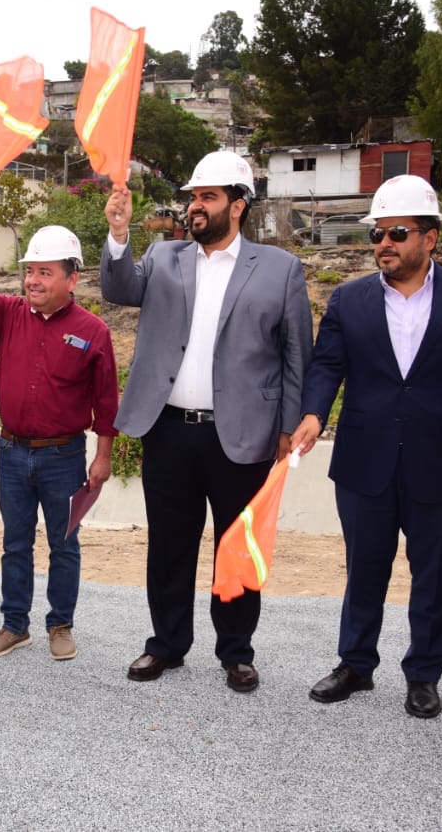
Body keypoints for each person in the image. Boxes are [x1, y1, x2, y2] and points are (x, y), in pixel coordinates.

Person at [292, 174, 442, 718]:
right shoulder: (350, 299)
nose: (383, 244)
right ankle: (356, 665)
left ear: (429, 238)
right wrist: (314, 413)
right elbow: (327, 365)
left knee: (434, 575)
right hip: (365, 460)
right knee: (365, 567)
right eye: (376, 235)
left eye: (396, 232)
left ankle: (423, 675)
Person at [101, 151, 312, 690]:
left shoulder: (280, 269)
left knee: (237, 546)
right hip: (168, 429)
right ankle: (166, 645)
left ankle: (236, 651)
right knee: (169, 544)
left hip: (244, 435)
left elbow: (296, 356)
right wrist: (119, 232)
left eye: (208, 198)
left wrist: (290, 427)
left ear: (237, 206)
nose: (195, 207)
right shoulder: (163, 257)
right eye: (193, 197)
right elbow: (119, 289)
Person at [0, 199, 118, 661]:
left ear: (71, 278)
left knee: (64, 545)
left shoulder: (94, 331)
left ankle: (60, 624)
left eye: (45, 272)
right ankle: (14, 625)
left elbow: (106, 403)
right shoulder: (7, 314)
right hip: (13, 453)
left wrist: (102, 458)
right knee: (15, 543)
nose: (33, 281)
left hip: (64, 456)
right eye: (30, 271)